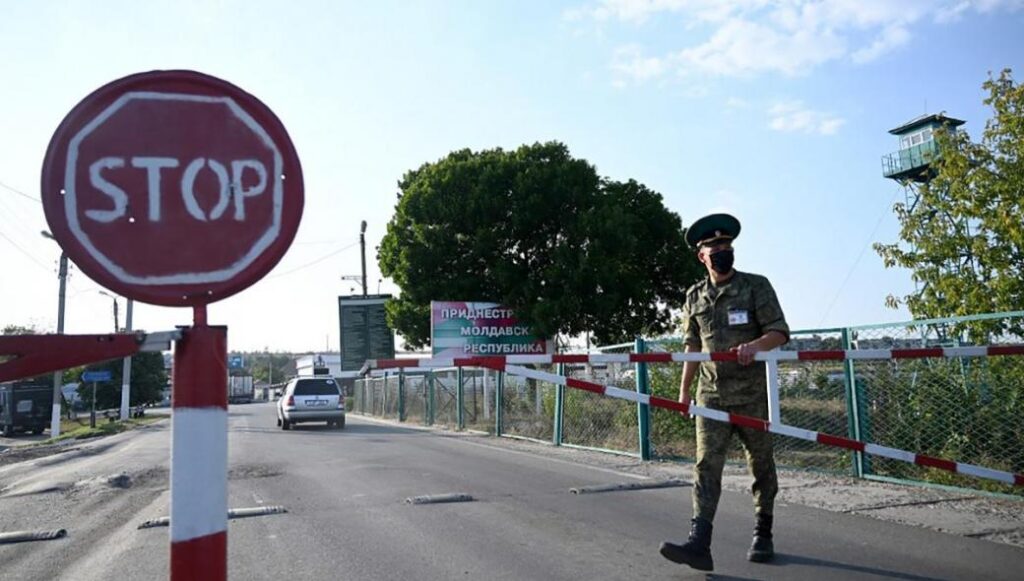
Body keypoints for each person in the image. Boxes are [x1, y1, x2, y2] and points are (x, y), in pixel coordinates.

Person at [659, 213, 790, 571]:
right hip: (711, 396)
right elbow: (691, 347)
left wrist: (756, 345)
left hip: (751, 396)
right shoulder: (694, 296)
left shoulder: (755, 287)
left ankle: (763, 531)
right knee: (705, 467)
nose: (722, 250)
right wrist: (684, 392)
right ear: (701, 255)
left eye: (726, 244)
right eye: (714, 246)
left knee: (761, 464)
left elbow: (780, 331)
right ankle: (699, 542)